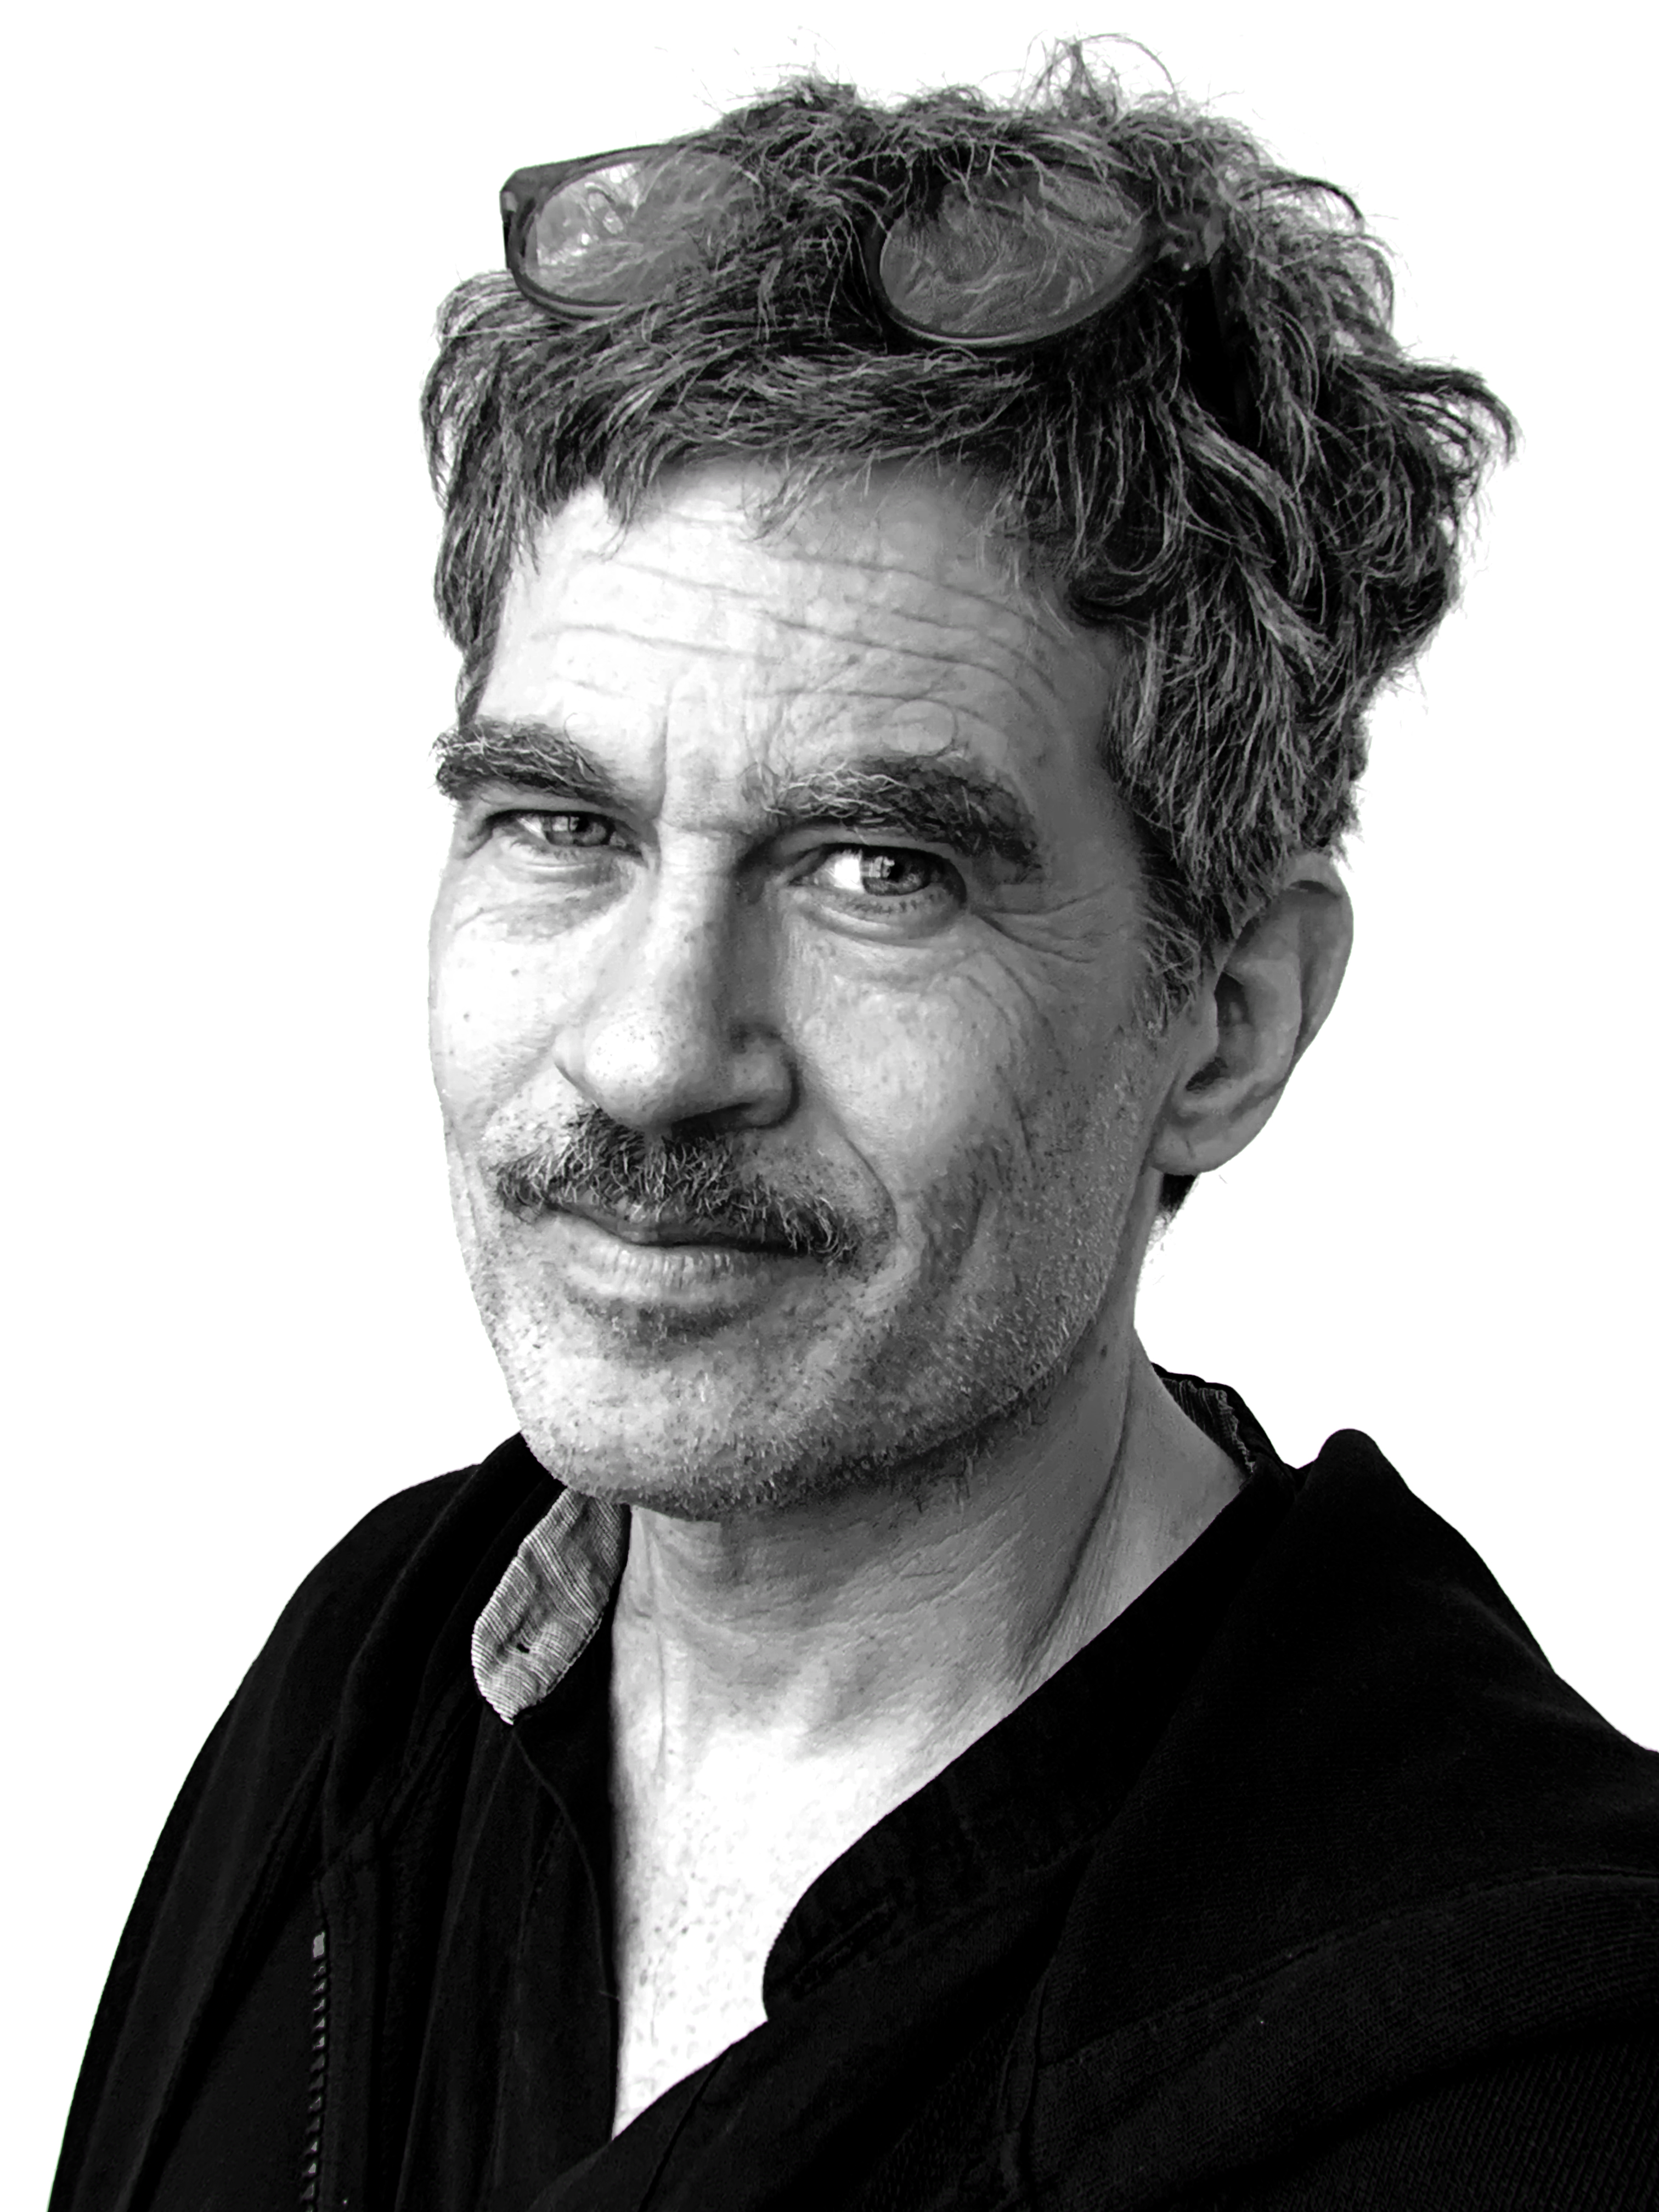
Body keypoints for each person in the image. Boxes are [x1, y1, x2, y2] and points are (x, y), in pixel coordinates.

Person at [50, 50, 1659, 2212]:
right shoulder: (379, 1675)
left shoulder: (1541, 2094)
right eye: (559, 824)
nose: (651, 1052)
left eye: (877, 869)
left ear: (1230, 1024)